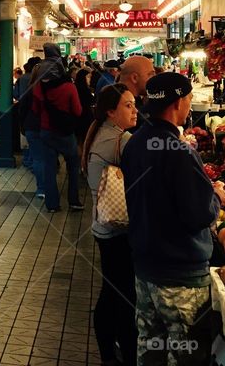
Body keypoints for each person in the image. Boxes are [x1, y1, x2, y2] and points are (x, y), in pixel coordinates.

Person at [122, 72, 225, 366]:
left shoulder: (135, 142)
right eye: (189, 99)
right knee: (186, 354)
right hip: (180, 275)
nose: (190, 104)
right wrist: (214, 196)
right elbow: (198, 214)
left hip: (146, 268)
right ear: (178, 102)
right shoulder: (179, 151)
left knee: (150, 347)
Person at [82, 83, 139, 366]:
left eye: (134, 103)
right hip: (117, 230)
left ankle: (108, 352)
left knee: (112, 291)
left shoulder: (100, 134)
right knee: (124, 296)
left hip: (103, 227)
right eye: (127, 105)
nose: (135, 110)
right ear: (110, 112)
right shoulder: (121, 140)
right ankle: (123, 355)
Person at [32, 42, 83, 213]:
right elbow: (77, 111)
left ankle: (52, 204)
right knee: (73, 165)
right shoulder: (69, 87)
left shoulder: (39, 86)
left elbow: (35, 109)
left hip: (46, 131)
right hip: (65, 133)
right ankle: (74, 200)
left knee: (49, 167)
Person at [16, 57, 46, 197]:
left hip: (31, 126)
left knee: (38, 157)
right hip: (48, 127)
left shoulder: (27, 87)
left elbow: (22, 106)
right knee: (48, 158)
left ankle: (41, 189)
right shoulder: (51, 89)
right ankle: (49, 188)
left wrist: (22, 124)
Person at [73, 67, 94, 144]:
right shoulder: (83, 90)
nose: (89, 79)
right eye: (88, 77)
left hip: (79, 118)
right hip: (83, 118)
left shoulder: (76, 87)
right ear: (83, 78)